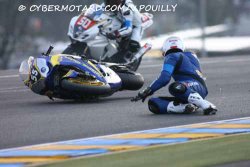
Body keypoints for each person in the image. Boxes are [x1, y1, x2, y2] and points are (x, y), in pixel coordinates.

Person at [132, 36, 217, 115]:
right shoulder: (191, 55)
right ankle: (186, 107)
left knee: (174, 87)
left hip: (189, 86)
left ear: (165, 49)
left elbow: (164, 78)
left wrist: (148, 90)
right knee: (153, 103)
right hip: (198, 88)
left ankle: (206, 105)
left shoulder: (171, 57)